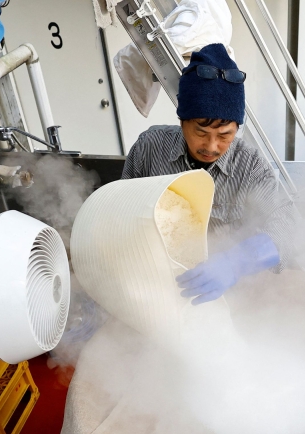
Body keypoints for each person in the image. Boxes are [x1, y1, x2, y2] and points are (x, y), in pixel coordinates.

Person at [121, 43, 296, 305]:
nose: (211, 147)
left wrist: (235, 262)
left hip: (231, 293)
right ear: (182, 121)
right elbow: (120, 212)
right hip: (157, 285)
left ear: (237, 128)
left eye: (225, 135)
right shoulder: (149, 148)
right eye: (200, 132)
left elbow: (288, 227)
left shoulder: (249, 165)